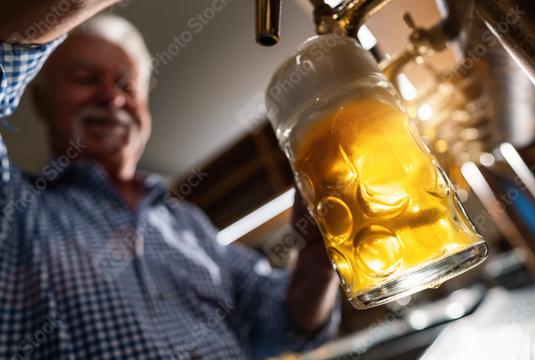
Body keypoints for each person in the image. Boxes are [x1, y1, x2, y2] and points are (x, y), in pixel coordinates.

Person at [0, 3, 340, 360]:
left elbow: (285, 325)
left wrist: (318, 255)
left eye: (127, 86)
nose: (112, 98)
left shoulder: (192, 225)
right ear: (41, 100)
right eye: (85, 79)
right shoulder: (15, 205)